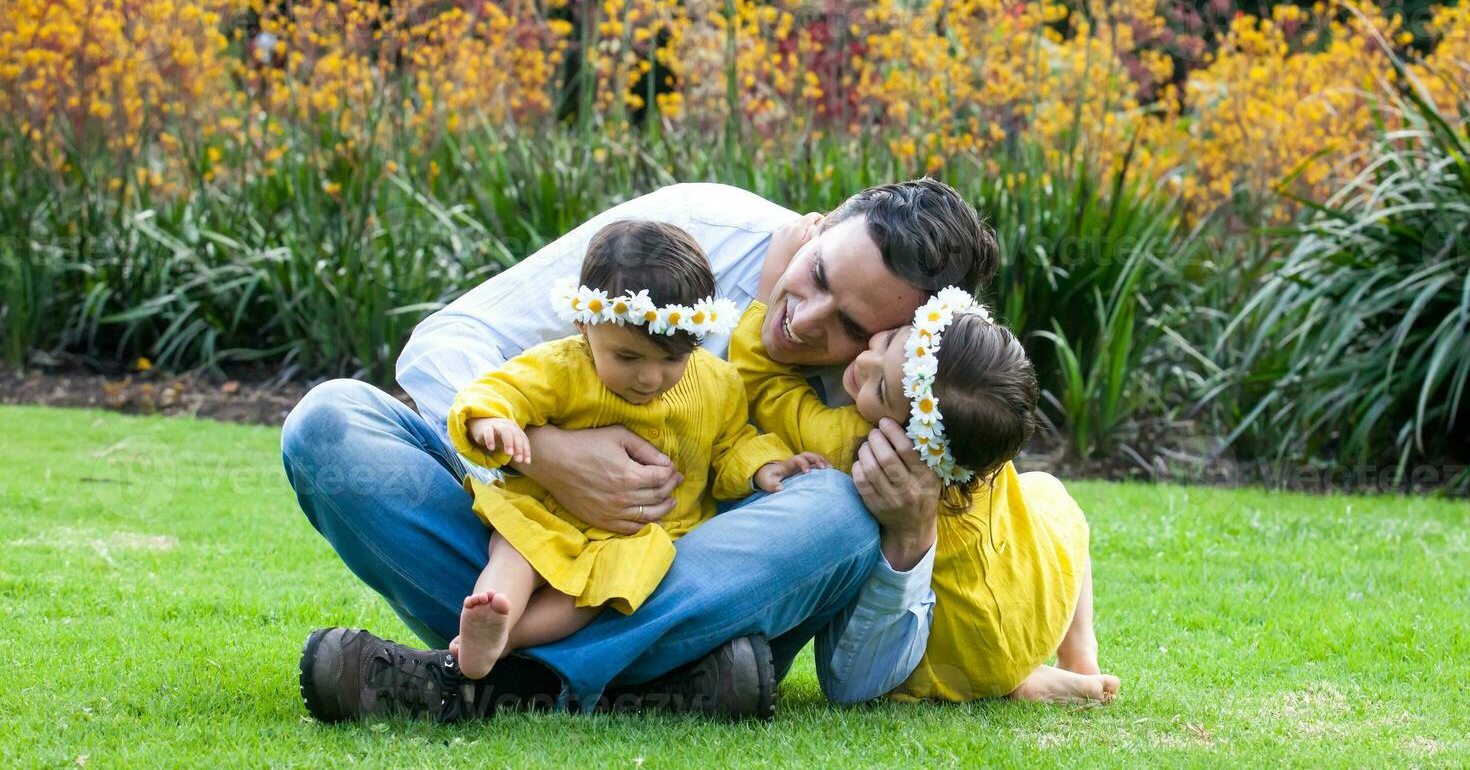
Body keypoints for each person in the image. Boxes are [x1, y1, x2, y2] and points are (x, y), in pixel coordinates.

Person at [282, 178, 996, 721]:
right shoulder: (690, 234)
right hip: (533, 546)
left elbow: (856, 683)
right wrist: (547, 453)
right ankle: (654, 688)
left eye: (847, 324)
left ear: (901, 335)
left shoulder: (899, 397)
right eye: (817, 276)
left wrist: (909, 536)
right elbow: (448, 343)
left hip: (685, 580)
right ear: (823, 223)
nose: (802, 321)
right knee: (329, 427)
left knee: (838, 510)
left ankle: (485, 681)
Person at [730, 235, 1121, 705]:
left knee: (952, 648)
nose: (864, 362)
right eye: (891, 339)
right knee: (1049, 491)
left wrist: (769, 285)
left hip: (962, 649)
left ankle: (1013, 678)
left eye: (877, 388)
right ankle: (1077, 654)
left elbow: (767, 389)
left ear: (908, 433)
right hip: (1034, 596)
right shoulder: (977, 438)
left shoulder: (866, 448)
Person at [447, 220, 826, 679]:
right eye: (627, 358)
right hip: (547, 513)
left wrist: (763, 466)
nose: (649, 378)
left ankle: (510, 637)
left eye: (672, 359)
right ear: (585, 325)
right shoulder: (562, 367)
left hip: (633, 537)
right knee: (517, 548)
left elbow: (730, 444)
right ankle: (493, 610)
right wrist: (492, 419)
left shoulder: (717, 384)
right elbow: (503, 389)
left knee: (596, 592)